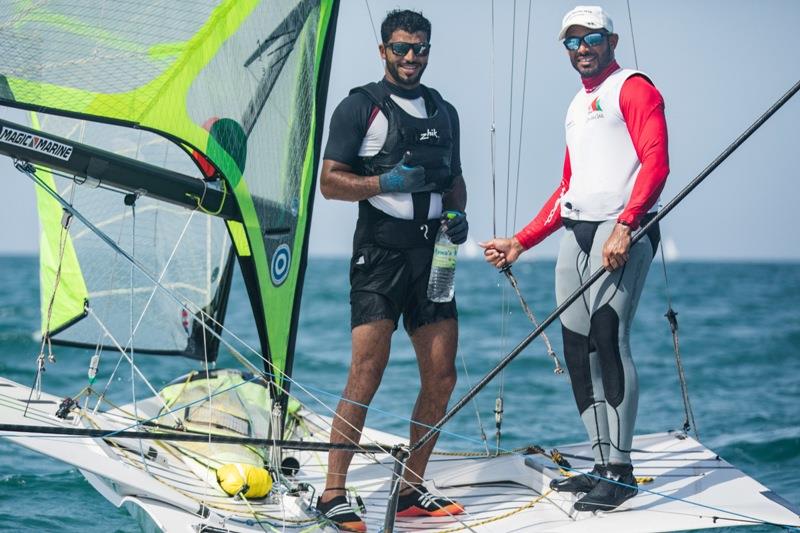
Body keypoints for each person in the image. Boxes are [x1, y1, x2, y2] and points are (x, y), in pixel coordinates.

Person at [481, 5, 669, 513]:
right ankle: (602, 464)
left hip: (620, 229)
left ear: (610, 39)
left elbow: (656, 159)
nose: (581, 49)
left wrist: (628, 224)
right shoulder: (575, 105)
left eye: (589, 39)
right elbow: (567, 187)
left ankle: (622, 470)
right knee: (576, 344)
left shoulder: (633, 87)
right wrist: (521, 241)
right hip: (577, 230)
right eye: (571, 42)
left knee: (610, 336)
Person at [316, 9, 467, 531]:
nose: (411, 58)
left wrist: (457, 213)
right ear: (383, 50)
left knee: (442, 374)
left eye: (420, 48)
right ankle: (333, 492)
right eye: (401, 48)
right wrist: (385, 184)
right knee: (367, 372)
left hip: (435, 254)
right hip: (380, 254)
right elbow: (331, 183)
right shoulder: (360, 107)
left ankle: (409, 490)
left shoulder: (443, 111)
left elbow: (455, 181)